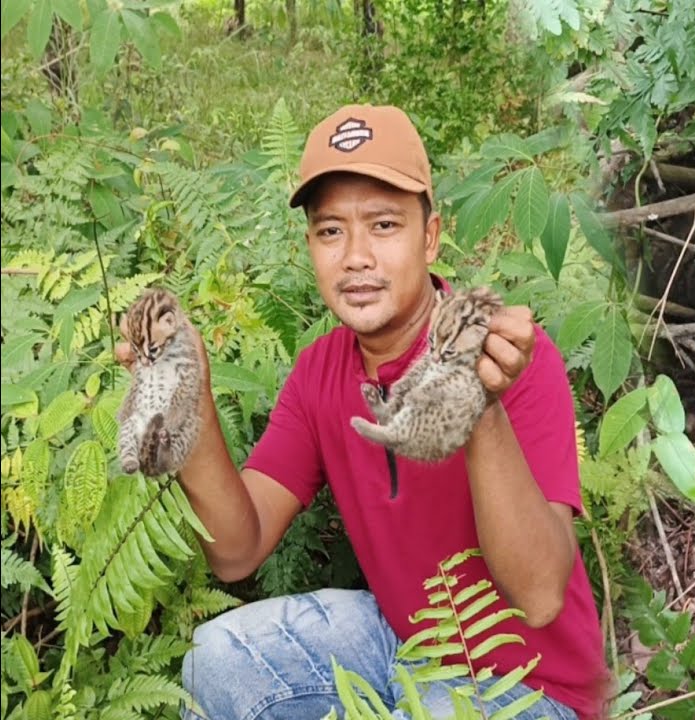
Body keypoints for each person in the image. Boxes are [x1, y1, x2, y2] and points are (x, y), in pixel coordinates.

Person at [116, 104, 610, 719]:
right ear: (311, 246)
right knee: (213, 658)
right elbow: (237, 549)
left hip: (535, 691)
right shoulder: (320, 373)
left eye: (383, 225)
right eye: (331, 231)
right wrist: (193, 402)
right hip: (407, 644)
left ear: (429, 236)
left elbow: (538, 597)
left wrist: (478, 406)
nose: (355, 256)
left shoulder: (510, 359)